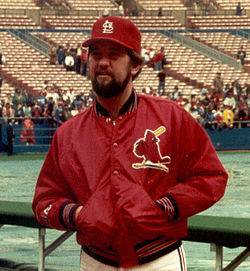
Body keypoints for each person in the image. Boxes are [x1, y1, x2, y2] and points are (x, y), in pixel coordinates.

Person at [32, 16, 228, 271]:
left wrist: (164, 207)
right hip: (95, 261)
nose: (103, 62)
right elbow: (44, 201)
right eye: (96, 54)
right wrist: (77, 214)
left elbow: (211, 177)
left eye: (114, 54)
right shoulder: (68, 133)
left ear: (134, 65)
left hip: (159, 259)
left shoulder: (171, 117)